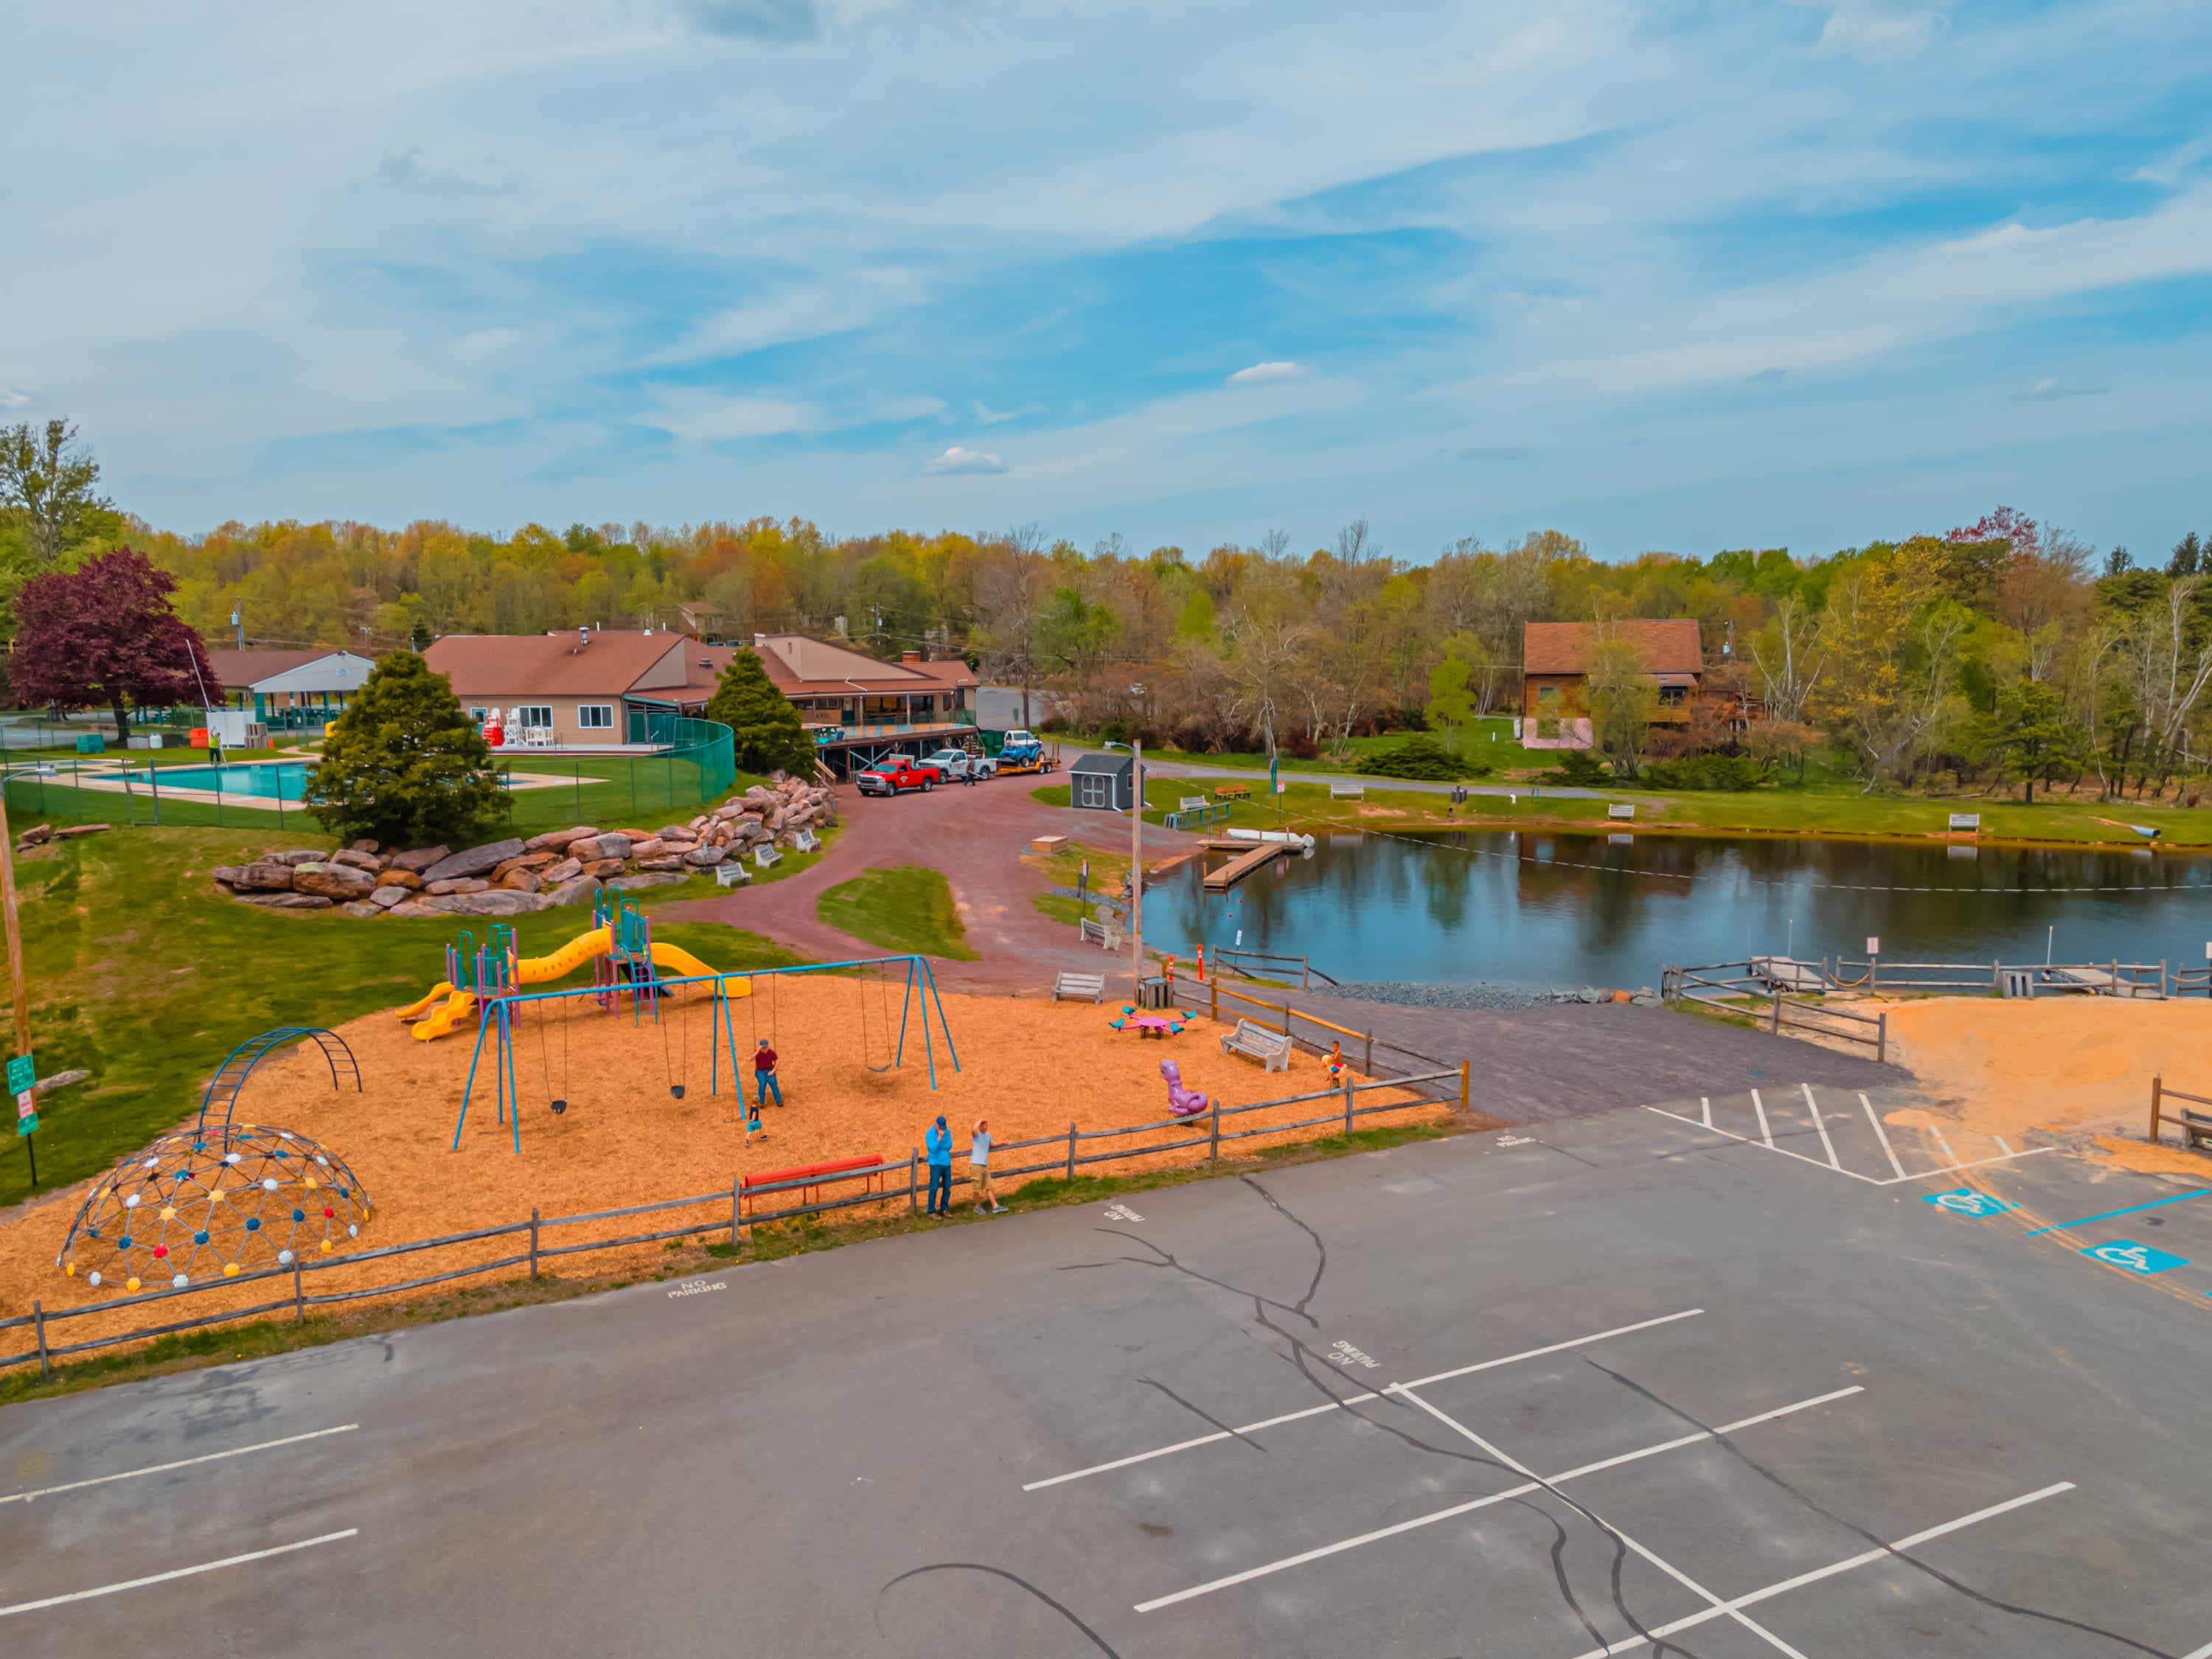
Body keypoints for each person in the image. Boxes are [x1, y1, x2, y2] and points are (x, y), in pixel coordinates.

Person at [970, 1118, 1003, 1214]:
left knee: (989, 1186)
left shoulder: (988, 1135)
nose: (985, 1128)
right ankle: (977, 1206)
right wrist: (979, 1120)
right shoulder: (976, 1135)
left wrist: (1003, 1142)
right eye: (983, 1126)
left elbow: (992, 1144)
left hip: (984, 1165)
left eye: (986, 1126)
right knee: (976, 1188)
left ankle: (996, 1207)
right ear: (979, 1126)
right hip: (976, 1164)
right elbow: (973, 1129)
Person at [925, 1114, 953, 1215]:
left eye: (944, 1127)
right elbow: (932, 1148)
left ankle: (944, 1208)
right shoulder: (929, 1134)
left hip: (946, 1163)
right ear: (936, 1125)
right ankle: (931, 1210)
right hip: (935, 1164)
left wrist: (939, 1146)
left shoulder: (947, 1131)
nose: (943, 1130)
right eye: (941, 1128)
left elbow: (950, 1145)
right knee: (934, 1187)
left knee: (947, 1187)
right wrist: (939, 1138)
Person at [752, 1038, 782, 1110]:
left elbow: (778, 1062)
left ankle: (779, 1100)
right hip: (760, 1071)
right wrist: (758, 1051)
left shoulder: (771, 1052)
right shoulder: (758, 1053)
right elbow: (750, 1059)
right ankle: (761, 1102)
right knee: (762, 1084)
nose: (765, 1049)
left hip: (770, 1070)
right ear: (760, 1047)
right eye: (763, 1048)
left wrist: (773, 1071)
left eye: (766, 1047)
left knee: (773, 1083)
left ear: (768, 1047)